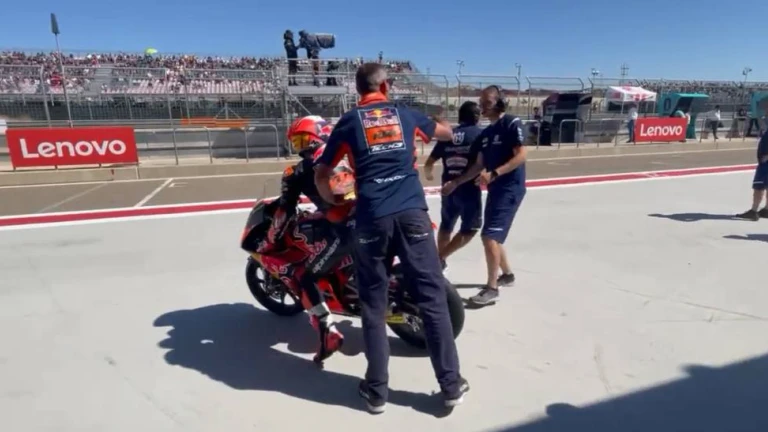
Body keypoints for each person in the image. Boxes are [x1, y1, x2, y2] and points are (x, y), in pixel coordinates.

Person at [314, 62, 469, 414]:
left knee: (373, 304)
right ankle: (450, 385)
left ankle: (376, 392)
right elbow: (445, 134)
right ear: (385, 87)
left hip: (371, 218)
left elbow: (323, 173)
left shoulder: (348, 122)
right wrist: (440, 125)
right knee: (432, 298)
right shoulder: (405, 113)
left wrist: (332, 201)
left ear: (359, 90)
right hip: (412, 214)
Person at [266, 115, 355, 364]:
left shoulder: (297, 171)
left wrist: (273, 237)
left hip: (348, 228)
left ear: (320, 134)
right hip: (380, 215)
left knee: (305, 277)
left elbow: (285, 210)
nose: (301, 147)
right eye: (297, 142)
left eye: (303, 139)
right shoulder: (349, 150)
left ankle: (328, 331)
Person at [442, 85, 527, 306]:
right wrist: (456, 182)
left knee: (489, 236)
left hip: (510, 188)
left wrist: (495, 173)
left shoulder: (511, 123)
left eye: (487, 103)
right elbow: (478, 165)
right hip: (495, 190)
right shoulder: (486, 134)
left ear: (500, 102)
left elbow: (521, 155)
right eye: (481, 103)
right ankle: (507, 275)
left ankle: (492, 288)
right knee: (492, 235)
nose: (482, 107)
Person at [424, 101, 484, 270]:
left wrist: (429, 175)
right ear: (476, 117)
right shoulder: (479, 134)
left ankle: (440, 262)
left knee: (446, 225)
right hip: (468, 188)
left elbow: (429, 163)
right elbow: (483, 162)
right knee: (471, 227)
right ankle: (439, 258)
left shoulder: (449, 135)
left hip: (447, 187)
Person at [735, 100, 768, 221]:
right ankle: (766, 209)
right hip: (764, 160)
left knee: (759, 186)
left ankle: (754, 211)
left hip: (765, 163)